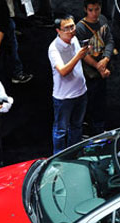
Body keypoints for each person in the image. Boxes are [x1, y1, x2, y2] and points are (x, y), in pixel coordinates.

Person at [48, 14, 88, 154]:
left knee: (77, 126)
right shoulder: (54, 48)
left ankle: (74, 154)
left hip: (81, 92)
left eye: (72, 26)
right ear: (58, 31)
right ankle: (58, 157)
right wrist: (78, 56)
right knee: (61, 130)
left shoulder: (75, 39)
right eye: (67, 28)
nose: (71, 30)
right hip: (64, 97)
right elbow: (63, 71)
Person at [76, 0, 114, 136]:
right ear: (86, 9)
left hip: (102, 68)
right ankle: (87, 128)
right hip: (89, 72)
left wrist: (106, 59)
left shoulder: (103, 20)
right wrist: (98, 66)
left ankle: (99, 128)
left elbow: (109, 40)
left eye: (97, 9)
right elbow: (83, 53)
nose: (94, 13)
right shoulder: (80, 28)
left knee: (100, 101)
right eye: (91, 10)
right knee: (89, 101)